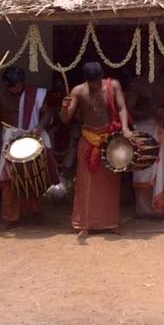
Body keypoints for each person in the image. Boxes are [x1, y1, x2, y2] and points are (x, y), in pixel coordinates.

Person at [0, 66, 56, 226]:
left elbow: (48, 113)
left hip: (32, 135)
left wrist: (39, 128)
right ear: (6, 85)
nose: (15, 89)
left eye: (18, 85)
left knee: (34, 174)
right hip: (11, 138)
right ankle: (10, 217)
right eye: (12, 86)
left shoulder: (33, 94)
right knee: (9, 179)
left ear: (22, 82)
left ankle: (33, 212)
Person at [61, 61, 133, 235]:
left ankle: (110, 222)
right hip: (88, 137)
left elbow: (122, 108)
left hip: (109, 138)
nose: (95, 85)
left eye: (98, 81)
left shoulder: (113, 86)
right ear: (86, 80)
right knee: (86, 183)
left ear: (102, 77)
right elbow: (65, 119)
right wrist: (64, 107)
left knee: (111, 182)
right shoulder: (78, 91)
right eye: (92, 82)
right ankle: (84, 224)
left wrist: (125, 128)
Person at [127, 72, 164, 218]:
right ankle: (146, 211)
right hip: (145, 129)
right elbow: (128, 110)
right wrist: (150, 112)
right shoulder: (137, 84)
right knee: (145, 168)